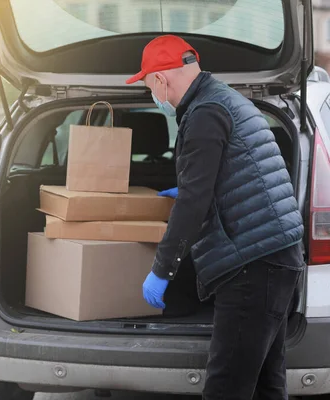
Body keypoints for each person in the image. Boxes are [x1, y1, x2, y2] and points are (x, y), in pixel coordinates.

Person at [127, 35, 306, 399]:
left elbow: (193, 204)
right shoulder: (224, 100)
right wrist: (198, 189)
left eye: (148, 86)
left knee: (226, 387)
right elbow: (232, 171)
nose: (152, 95)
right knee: (265, 386)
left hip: (253, 266)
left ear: (161, 79)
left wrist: (162, 271)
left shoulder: (205, 114)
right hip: (277, 257)